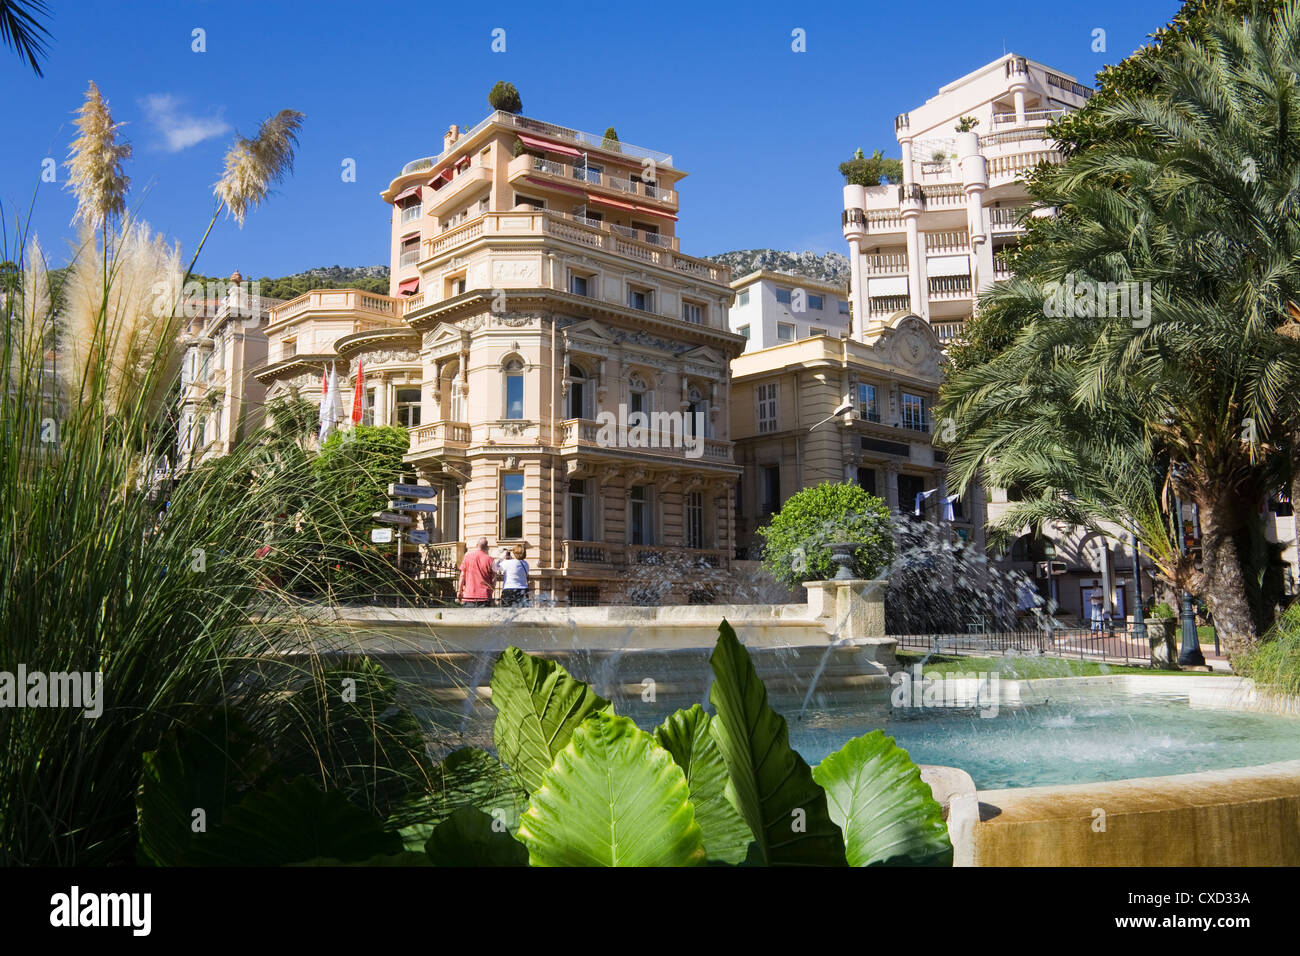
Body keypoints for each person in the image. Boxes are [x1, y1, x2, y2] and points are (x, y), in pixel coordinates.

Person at [457, 538, 498, 607]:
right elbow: (494, 578)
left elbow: (462, 576)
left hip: (469, 596)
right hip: (485, 596)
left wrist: (459, 591)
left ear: (476, 545)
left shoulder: (467, 557)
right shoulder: (491, 560)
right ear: (487, 547)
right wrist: (491, 590)